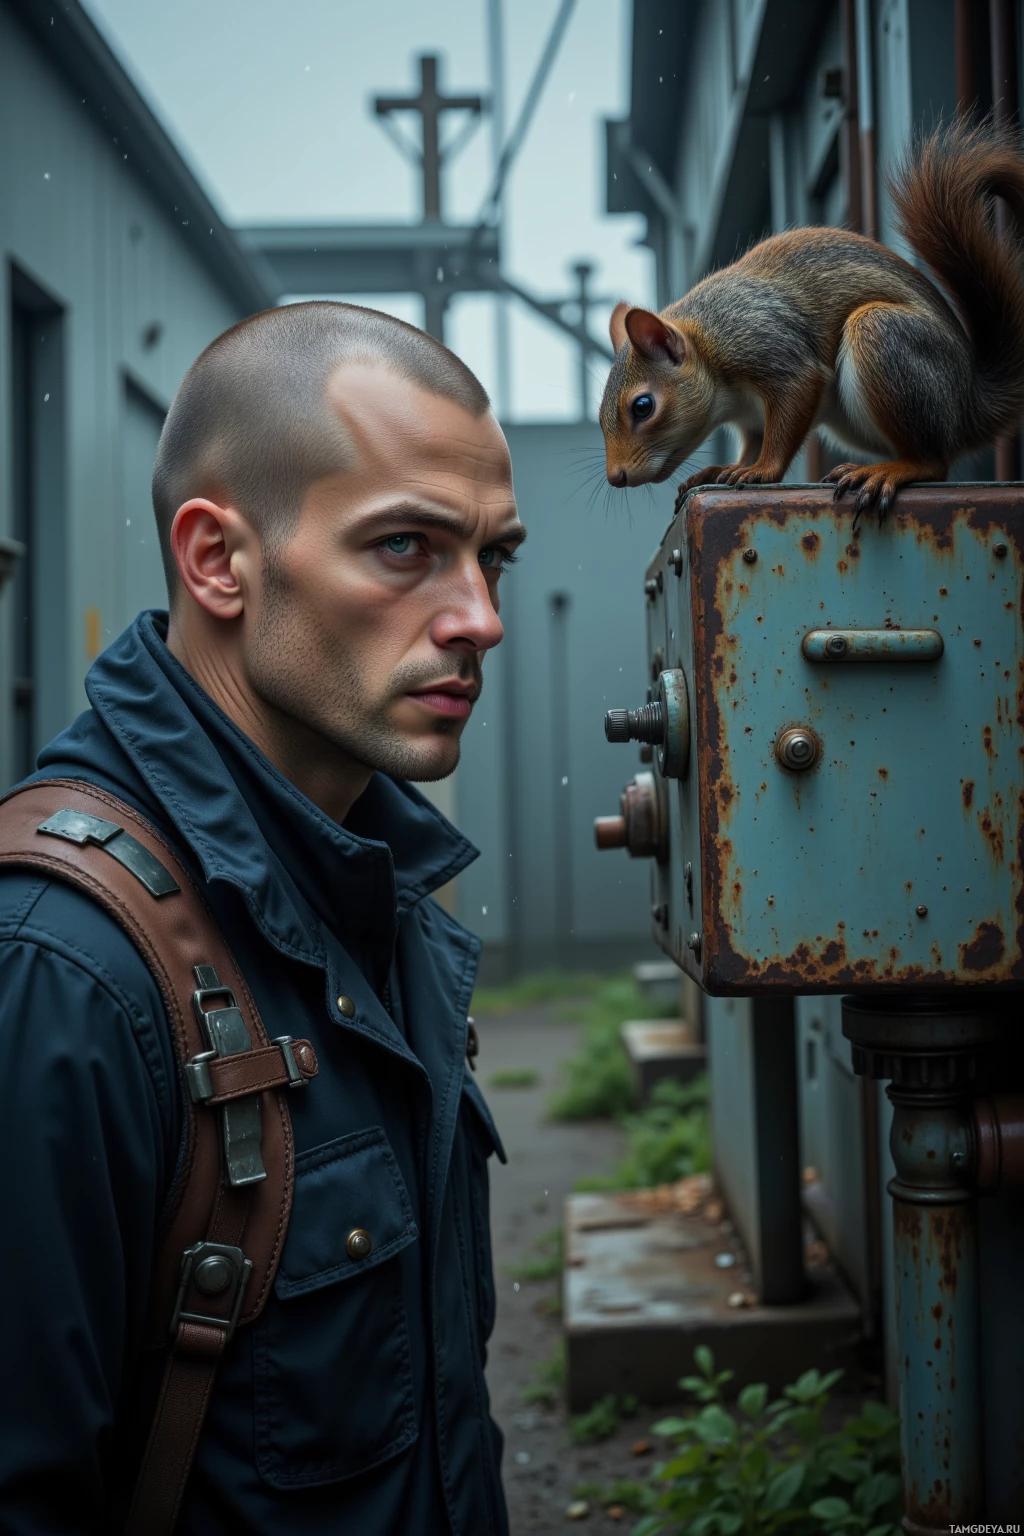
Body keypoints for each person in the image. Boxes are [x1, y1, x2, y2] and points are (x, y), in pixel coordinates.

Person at [0, 301, 524, 1534]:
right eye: (405, 547)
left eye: (491, 556)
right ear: (219, 561)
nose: (479, 617)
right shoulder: (65, 969)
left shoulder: (365, 888)